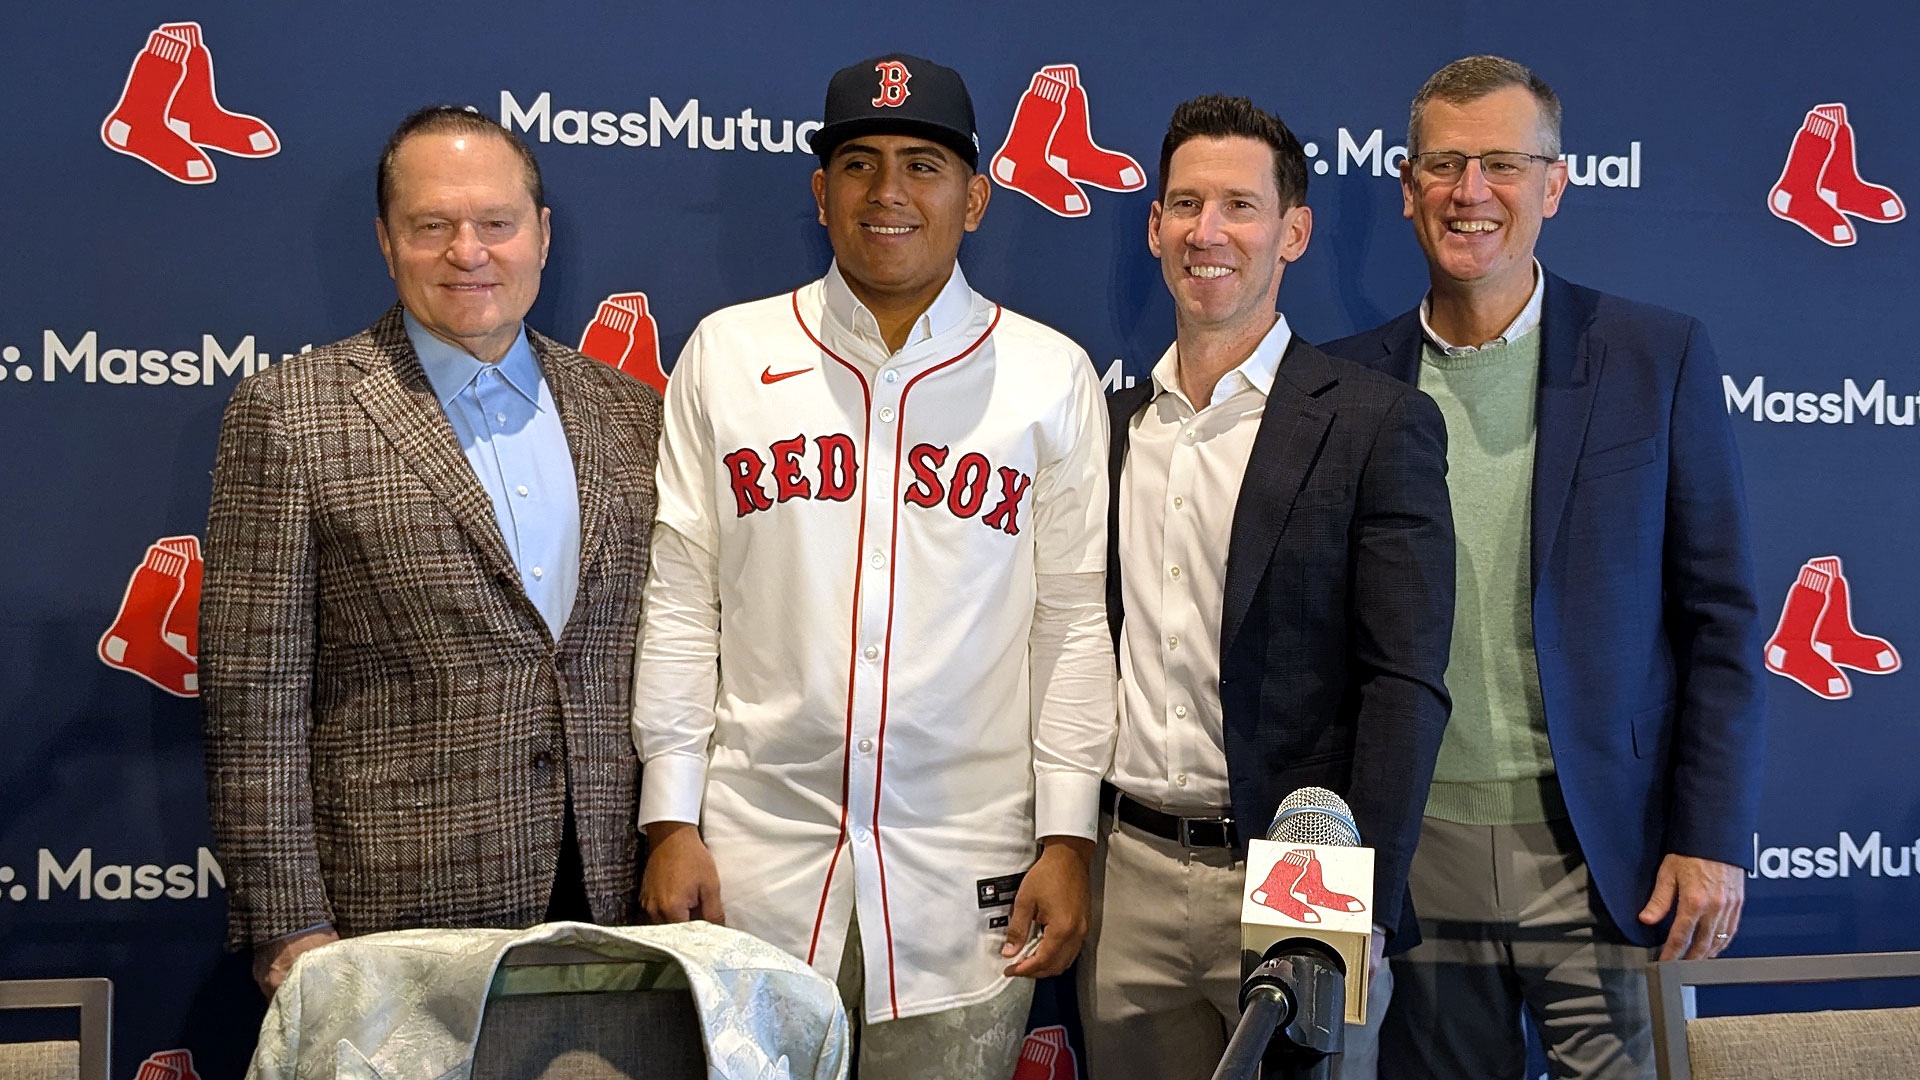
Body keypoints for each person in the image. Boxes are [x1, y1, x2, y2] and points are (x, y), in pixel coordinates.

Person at [630, 53, 1116, 1080]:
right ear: (821, 193)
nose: (887, 191)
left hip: (967, 880)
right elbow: (680, 602)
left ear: (975, 199)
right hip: (755, 866)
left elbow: (1071, 623)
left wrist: (1068, 839)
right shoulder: (726, 353)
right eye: (858, 164)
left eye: (922, 165)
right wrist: (669, 817)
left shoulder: (1050, 374)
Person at [1323, 55, 1766, 1079]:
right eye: (1445, 164)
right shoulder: (1341, 382)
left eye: (1503, 164)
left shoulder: (1657, 358)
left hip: (1606, 855)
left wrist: (1710, 834)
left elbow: (1722, 620)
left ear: (1555, 185)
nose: (1470, 191)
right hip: (1412, 854)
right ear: (1406, 187)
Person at [200, 106, 662, 997]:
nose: (468, 251)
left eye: (496, 223)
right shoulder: (291, 413)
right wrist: (288, 921)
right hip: (389, 914)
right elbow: (254, 693)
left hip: (613, 899)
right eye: (432, 226)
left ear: (542, 234)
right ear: (386, 241)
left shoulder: (631, 411)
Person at [1077, 94, 1456, 1080]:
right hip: (1127, 877)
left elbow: (1405, 684)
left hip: (1299, 881)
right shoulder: (1105, 428)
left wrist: (1360, 901)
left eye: (1239, 206)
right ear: (1154, 225)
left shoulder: (1376, 423)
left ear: (1293, 232)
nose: (1208, 232)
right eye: (1186, 204)